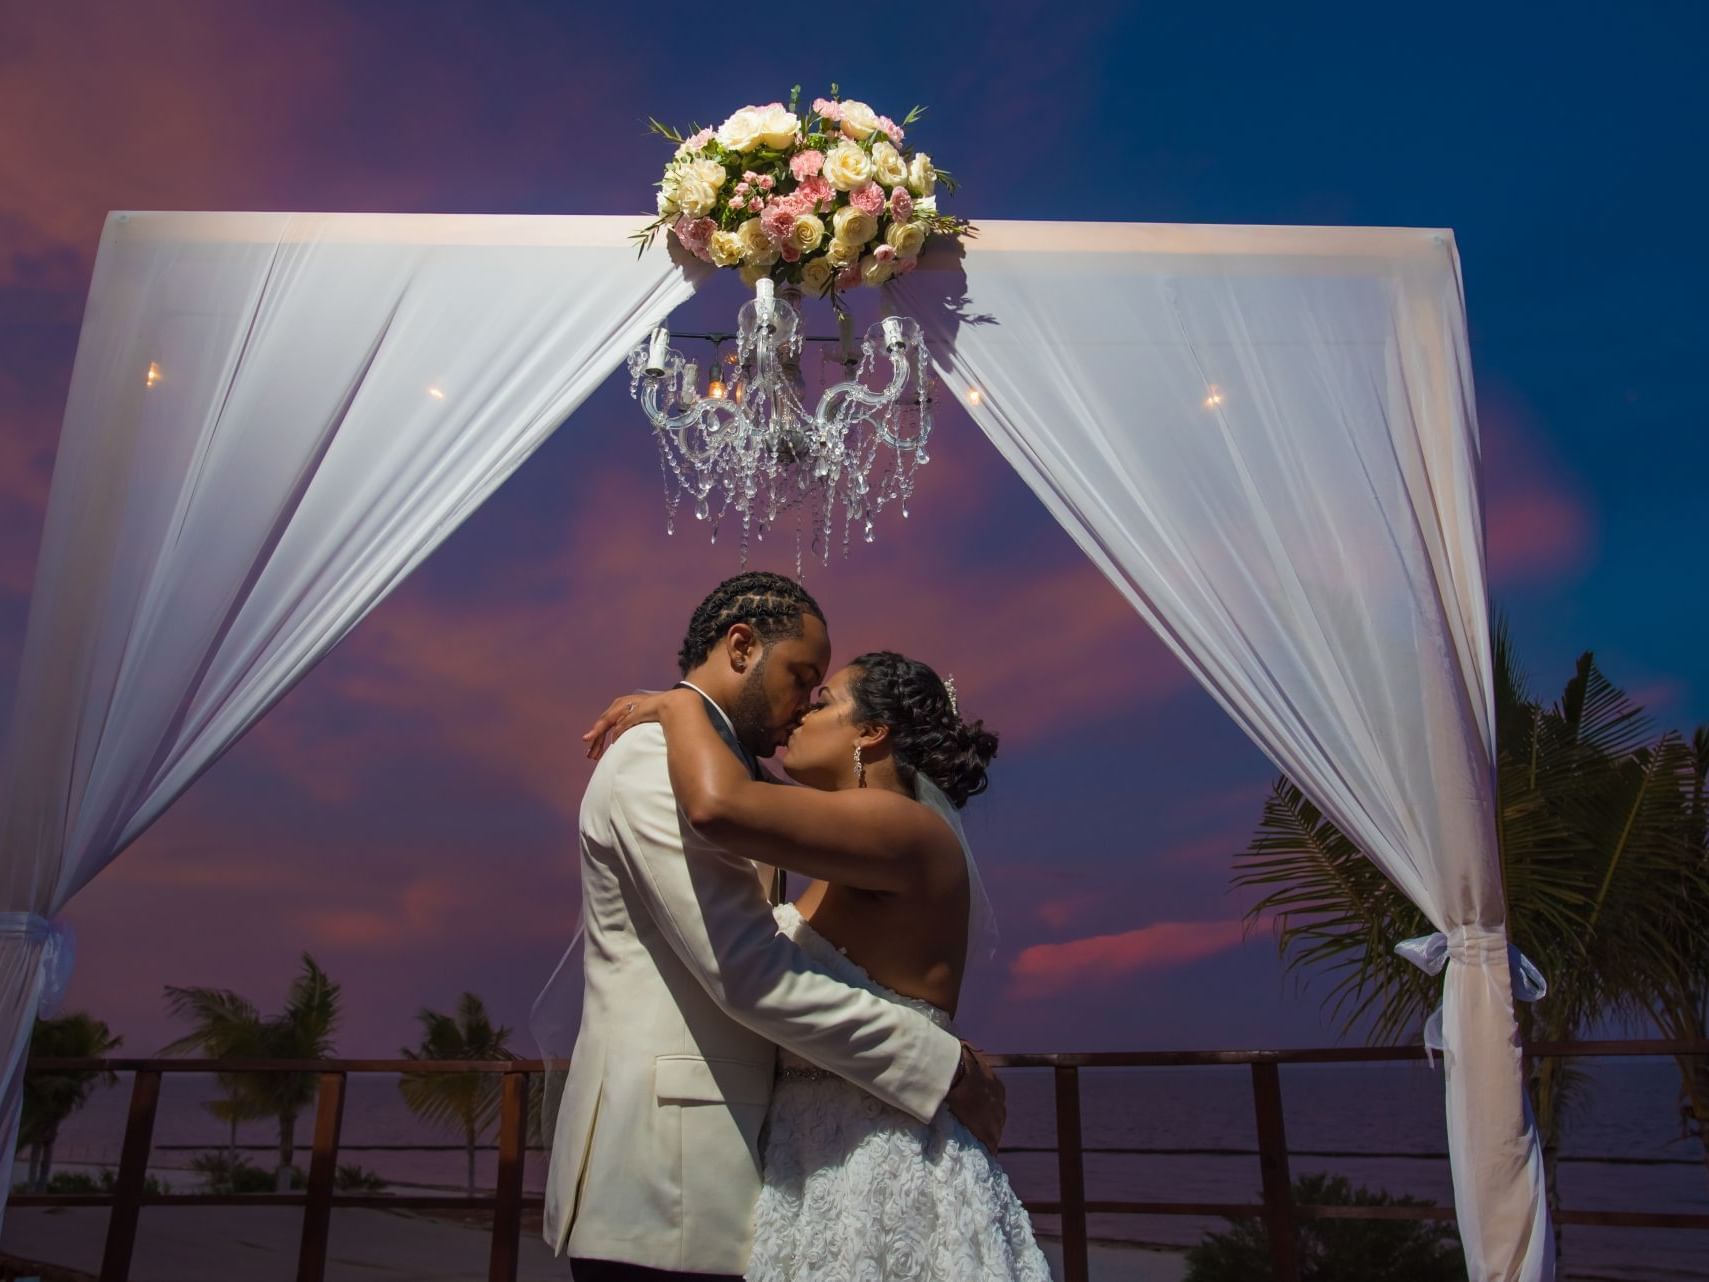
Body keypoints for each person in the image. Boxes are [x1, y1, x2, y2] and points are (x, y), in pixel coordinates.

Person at [543, 572, 1006, 1281]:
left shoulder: (773, 793)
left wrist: (675, 709)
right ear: (740, 647)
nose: (801, 708)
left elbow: (733, 817)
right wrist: (937, 1063)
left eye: (823, 694)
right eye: (803, 679)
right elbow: (747, 966)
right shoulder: (655, 759)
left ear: (872, 733)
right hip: (673, 1176)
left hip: (818, 1162)